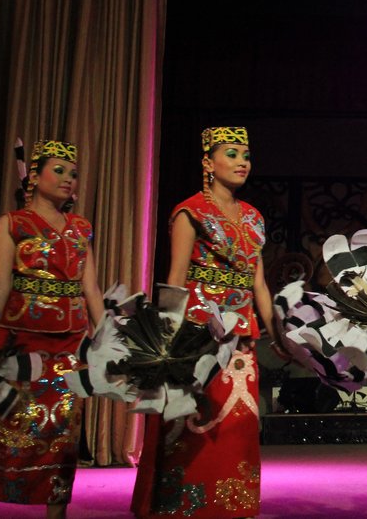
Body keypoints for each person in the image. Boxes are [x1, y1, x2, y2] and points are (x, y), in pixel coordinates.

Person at [131, 126, 281, 519]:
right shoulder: (190, 211)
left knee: (238, 426)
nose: (242, 162)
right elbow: (176, 277)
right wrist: (165, 341)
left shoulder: (253, 217)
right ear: (207, 162)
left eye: (246, 155)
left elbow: (259, 284)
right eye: (231, 153)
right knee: (194, 427)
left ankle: (233, 508)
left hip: (241, 337)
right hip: (197, 336)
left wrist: (278, 334)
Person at [0, 139, 105, 519]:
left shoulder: (81, 228)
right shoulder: (12, 223)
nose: (68, 178)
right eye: (58, 170)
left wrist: (108, 338)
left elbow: (91, 289)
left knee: (62, 436)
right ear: (35, 176)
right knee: (3, 428)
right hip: (19, 342)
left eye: (73, 173)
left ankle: (56, 511)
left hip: (69, 346)